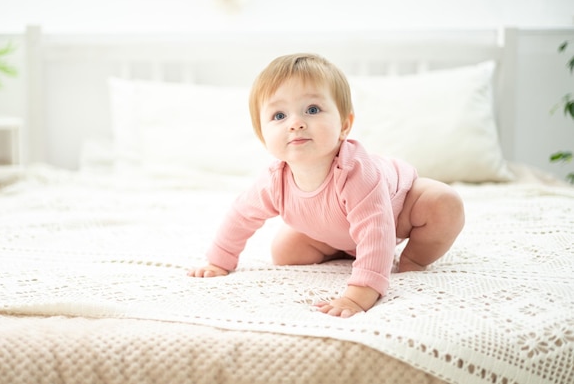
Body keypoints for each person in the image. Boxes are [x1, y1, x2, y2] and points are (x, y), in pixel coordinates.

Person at [188, 53, 465, 318]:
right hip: (337, 230)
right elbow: (241, 216)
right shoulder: (274, 180)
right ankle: (344, 249)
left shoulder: (355, 171)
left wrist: (359, 294)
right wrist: (218, 261)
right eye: (279, 116)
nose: (295, 124)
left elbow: (376, 230)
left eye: (312, 110)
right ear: (263, 136)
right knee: (285, 252)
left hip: (399, 211)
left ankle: (413, 259)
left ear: (344, 125)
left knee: (443, 204)